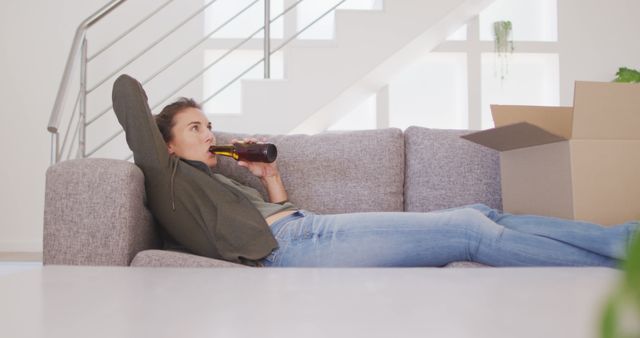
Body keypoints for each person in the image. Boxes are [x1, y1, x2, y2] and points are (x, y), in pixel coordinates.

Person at [112, 74, 638, 268]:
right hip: (296, 247)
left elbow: (276, 207)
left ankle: (624, 240)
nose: (210, 134)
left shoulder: (214, 177)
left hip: (304, 225)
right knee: (468, 232)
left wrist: (266, 176)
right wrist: (164, 136)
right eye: (196, 128)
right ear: (166, 146)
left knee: (482, 211)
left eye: (209, 124)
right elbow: (125, 91)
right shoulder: (166, 176)